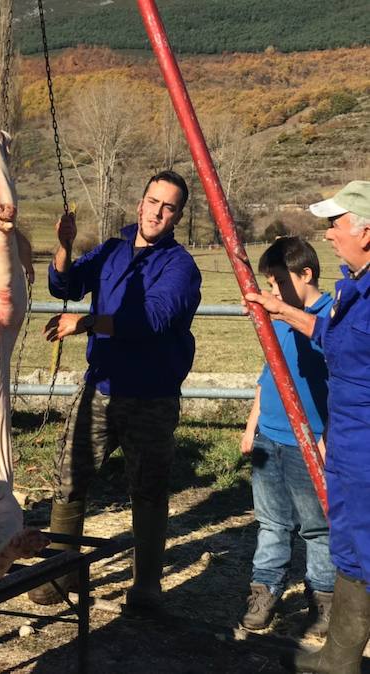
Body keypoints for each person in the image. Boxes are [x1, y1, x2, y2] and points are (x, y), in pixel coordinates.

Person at [28, 170, 202, 611]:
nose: (157, 212)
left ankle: (146, 586)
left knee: (147, 489)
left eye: (168, 207)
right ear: (140, 203)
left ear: (177, 215)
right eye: (152, 201)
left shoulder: (181, 267)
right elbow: (64, 285)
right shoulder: (112, 250)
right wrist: (65, 247)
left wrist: (88, 323)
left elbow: (152, 320)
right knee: (69, 480)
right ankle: (58, 574)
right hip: (101, 387)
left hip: (151, 396)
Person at [246, 180, 370, 674]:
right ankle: (339, 657)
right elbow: (332, 339)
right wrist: (282, 312)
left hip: (364, 445)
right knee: (351, 545)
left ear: (367, 230)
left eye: (337, 223)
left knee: (358, 543)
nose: (330, 232)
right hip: (347, 441)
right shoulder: (353, 289)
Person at [239, 237, 335, 636]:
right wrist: (251, 426)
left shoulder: (331, 317)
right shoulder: (278, 317)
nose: (272, 292)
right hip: (270, 438)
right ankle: (265, 591)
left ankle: (324, 599)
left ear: (306, 274)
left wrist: (329, 439)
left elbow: (344, 384)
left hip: (310, 440)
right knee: (271, 522)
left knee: (317, 526)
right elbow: (268, 375)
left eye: (278, 281)